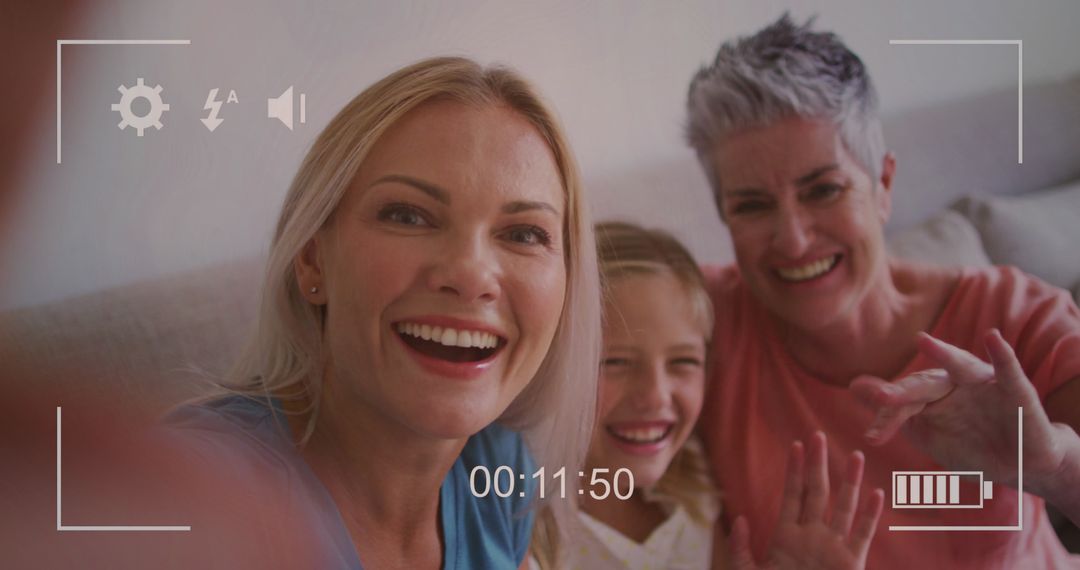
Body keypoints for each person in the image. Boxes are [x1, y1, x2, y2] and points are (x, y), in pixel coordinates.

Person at [166, 56, 602, 568]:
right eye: (408, 216)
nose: (470, 274)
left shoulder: (499, 470)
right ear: (312, 260)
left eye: (524, 234)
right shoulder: (196, 495)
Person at [684, 14, 1080, 568]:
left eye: (824, 190)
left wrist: (1057, 470)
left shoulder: (1018, 316)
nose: (793, 239)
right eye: (751, 205)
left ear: (884, 185)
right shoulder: (697, 321)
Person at [531, 222, 883, 570]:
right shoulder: (527, 528)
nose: (655, 397)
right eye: (615, 362)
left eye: (683, 362)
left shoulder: (693, 492)